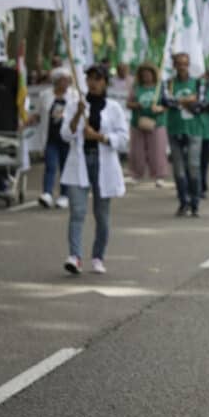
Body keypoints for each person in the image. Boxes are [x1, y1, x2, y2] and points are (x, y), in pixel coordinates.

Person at [60, 66, 128, 274]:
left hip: (103, 163)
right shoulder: (75, 104)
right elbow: (65, 134)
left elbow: (124, 139)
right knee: (77, 211)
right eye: (89, 78)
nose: (93, 83)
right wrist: (78, 115)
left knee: (102, 215)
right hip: (79, 163)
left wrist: (101, 137)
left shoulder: (114, 107)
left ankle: (98, 256)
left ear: (105, 81)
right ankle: (75, 256)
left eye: (98, 79)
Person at [161, 52, 208, 217]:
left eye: (185, 63)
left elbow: (200, 105)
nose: (182, 67)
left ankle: (195, 203)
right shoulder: (168, 84)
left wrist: (180, 102)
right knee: (179, 170)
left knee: (193, 167)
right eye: (179, 64)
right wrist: (188, 100)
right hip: (175, 130)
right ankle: (183, 202)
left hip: (194, 130)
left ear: (189, 65)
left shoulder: (198, 83)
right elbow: (167, 102)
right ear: (174, 66)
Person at [28, 67, 76, 208]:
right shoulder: (45, 95)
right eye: (63, 80)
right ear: (56, 81)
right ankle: (47, 193)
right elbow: (38, 114)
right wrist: (27, 122)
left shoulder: (74, 96)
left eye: (67, 80)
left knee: (65, 167)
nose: (65, 83)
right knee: (50, 165)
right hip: (51, 137)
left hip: (67, 138)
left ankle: (64, 195)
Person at [126, 63, 169, 187]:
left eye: (148, 74)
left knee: (157, 151)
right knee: (137, 150)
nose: (146, 76)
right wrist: (137, 105)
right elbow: (128, 104)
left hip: (157, 123)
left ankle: (159, 176)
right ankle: (135, 174)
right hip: (138, 122)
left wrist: (159, 108)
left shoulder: (160, 87)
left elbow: (167, 105)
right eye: (144, 74)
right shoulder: (136, 87)